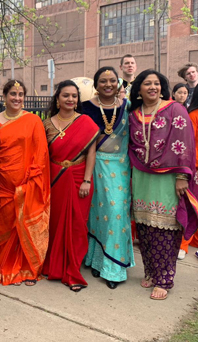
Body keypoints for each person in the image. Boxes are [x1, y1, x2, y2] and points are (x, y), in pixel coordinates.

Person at [129, 69, 198, 300]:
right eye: (147, 83)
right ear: (138, 88)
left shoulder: (174, 109)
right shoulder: (134, 114)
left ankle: (164, 279)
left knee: (166, 228)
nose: (152, 87)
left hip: (169, 176)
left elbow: (186, 142)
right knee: (145, 227)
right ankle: (150, 271)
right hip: (142, 176)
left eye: (156, 84)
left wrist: (182, 176)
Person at [0, 80, 50, 287]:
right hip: (1, 183)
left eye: (20, 94)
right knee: (3, 224)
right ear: (4, 97)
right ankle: (7, 266)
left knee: (23, 223)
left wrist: (32, 179)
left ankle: (26, 268)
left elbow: (40, 152)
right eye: (13, 94)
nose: (17, 98)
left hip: (26, 183)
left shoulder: (33, 121)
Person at [42, 80, 99, 292]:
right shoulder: (46, 124)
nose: (70, 99)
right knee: (55, 224)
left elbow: (91, 153)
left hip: (78, 179)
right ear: (57, 98)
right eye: (65, 95)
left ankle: (72, 271)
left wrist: (87, 180)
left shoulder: (86, 123)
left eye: (74, 96)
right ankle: (52, 266)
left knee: (76, 226)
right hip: (54, 179)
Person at [83, 67, 134, 290]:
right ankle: (96, 259)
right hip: (94, 166)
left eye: (112, 80)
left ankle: (114, 267)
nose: (108, 84)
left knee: (116, 213)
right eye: (103, 81)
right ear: (96, 85)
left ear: (119, 84)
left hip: (121, 167)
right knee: (96, 213)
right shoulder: (85, 108)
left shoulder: (127, 107)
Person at [178, 88, 198, 260]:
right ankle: (183, 244)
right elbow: (189, 144)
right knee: (191, 206)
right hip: (195, 168)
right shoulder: (193, 116)